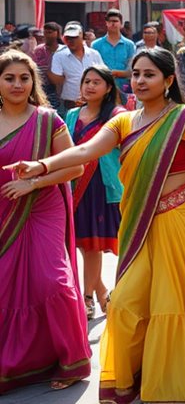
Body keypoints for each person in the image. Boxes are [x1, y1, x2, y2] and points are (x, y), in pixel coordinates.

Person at [9, 48, 185, 402]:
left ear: (168, 80)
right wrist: (43, 166)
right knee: (127, 301)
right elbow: (85, 151)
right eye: (136, 74)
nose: (140, 81)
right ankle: (145, 375)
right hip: (143, 224)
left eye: (149, 74)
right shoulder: (123, 121)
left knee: (182, 301)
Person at [0, 50, 91, 394]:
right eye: (9, 78)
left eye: (24, 78)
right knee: (6, 283)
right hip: (3, 207)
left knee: (52, 281)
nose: (17, 84)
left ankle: (71, 360)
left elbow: (75, 167)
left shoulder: (48, 119)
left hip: (42, 206)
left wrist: (32, 182)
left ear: (33, 81)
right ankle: (16, 364)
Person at [66, 66, 126, 320]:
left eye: (96, 82)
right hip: (73, 185)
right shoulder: (71, 114)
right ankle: (103, 293)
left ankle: (87, 297)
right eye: (86, 81)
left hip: (102, 186)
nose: (90, 86)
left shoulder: (117, 115)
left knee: (93, 246)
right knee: (81, 244)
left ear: (108, 88)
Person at [49, 22, 103, 116]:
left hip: (93, 106)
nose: (71, 41)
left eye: (74, 37)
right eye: (68, 38)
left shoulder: (94, 54)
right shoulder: (59, 56)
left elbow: (103, 76)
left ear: (82, 36)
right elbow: (56, 80)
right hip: (69, 107)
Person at [93, 10, 135, 98]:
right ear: (106, 23)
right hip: (102, 88)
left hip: (124, 88)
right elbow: (93, 68)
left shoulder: (129, 45)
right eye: (110, 21)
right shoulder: (96, 45)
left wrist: (116, 73)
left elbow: (132, 70)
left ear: (121, 24)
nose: (113, 24)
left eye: (115, 21)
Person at [31, 21, 63, 109]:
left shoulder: (63, 50)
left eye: (50, 32)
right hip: (42, 87)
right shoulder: (39, 50)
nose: (47, 35)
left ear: (57, 34)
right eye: (45, 33)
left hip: (59, 90)